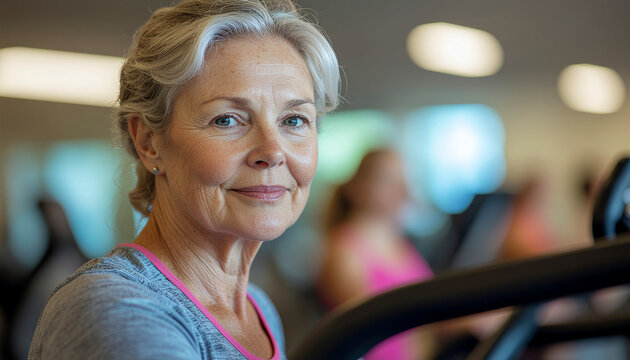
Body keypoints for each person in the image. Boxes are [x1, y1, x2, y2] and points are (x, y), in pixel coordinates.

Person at [28, 0, 339, 359]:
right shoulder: (115, 308)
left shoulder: (257, 308)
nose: (272, 151)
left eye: (294, 121)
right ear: (148, 142)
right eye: (227, 120)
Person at [317, 149, 434, 360]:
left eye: (404, 181)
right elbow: (365, 319)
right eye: (389, 181)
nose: (403, 190)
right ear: (358, 188)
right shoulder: (344, 248)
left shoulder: (402, 244)